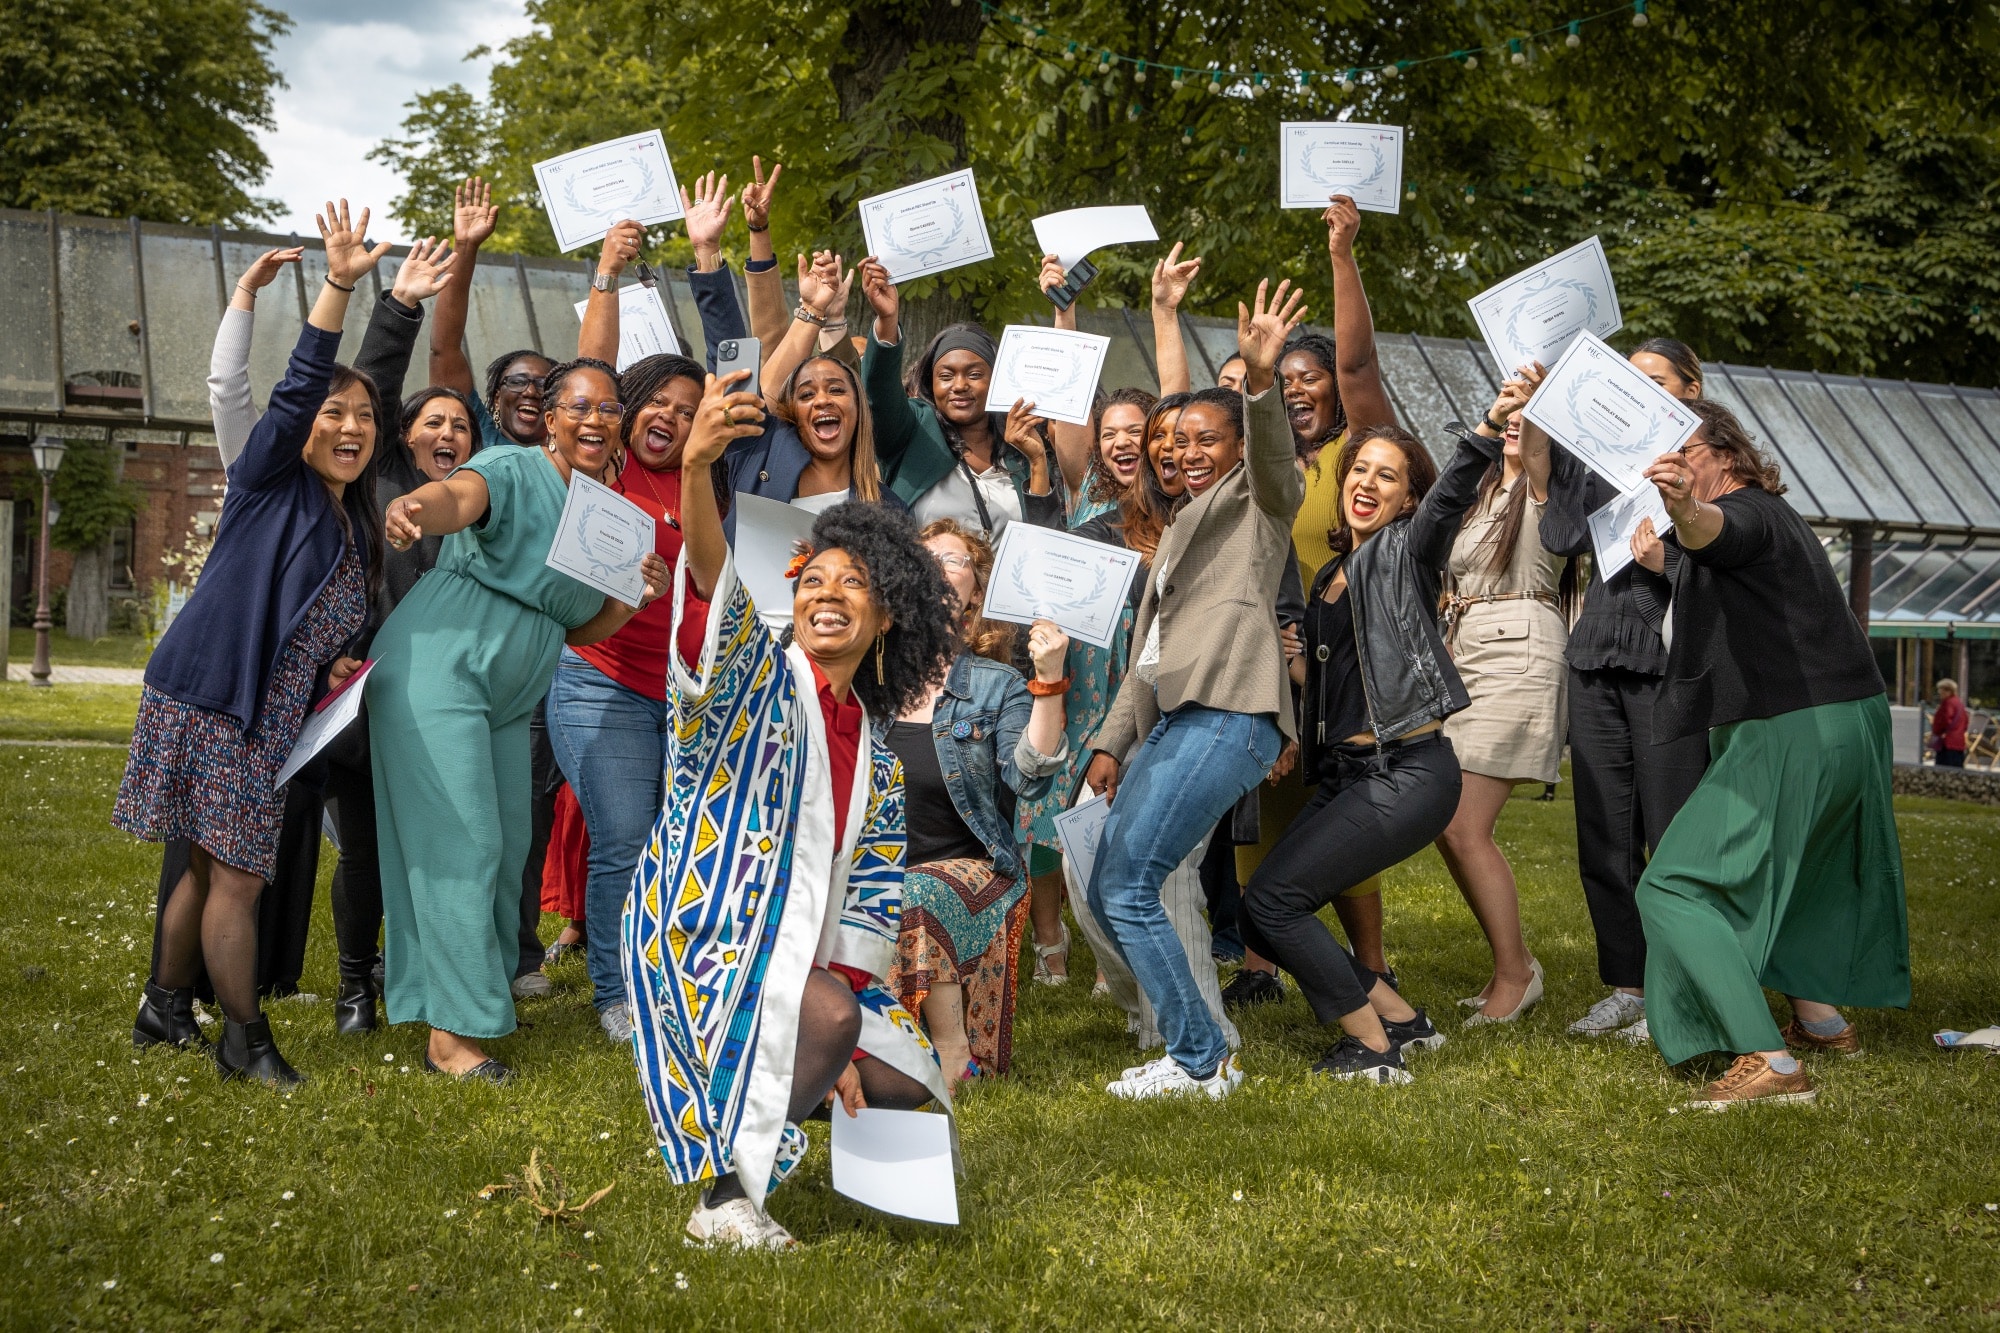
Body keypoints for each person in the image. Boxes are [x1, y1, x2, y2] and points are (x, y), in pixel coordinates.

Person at [628, 377, 960, 1250]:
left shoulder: (879, 756)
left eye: (854, 584)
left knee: (902, 1071)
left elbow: (868, 905)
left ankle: (779, 1092)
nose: (829, 594)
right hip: (704, 928)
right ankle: (721, 1197)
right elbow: (711, 588)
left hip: (795, 945)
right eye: (814, 578)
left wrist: (847, 1044)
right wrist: (699, 471)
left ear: (886, 616)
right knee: (824, 1020)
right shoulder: (759, 679)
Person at [118, 201, 388, 1085]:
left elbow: (304, 617)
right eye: (333, 414)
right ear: (304, 426)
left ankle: (164, 1006)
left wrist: (330, 662)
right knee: (237, 877)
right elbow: (289, 384)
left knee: (205, 862)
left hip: (262, 709)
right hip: (214, 699)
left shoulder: (351, 518)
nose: (349, 428)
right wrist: (337, 286)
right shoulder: (268, 478)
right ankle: (246, 1038)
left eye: (365, 418)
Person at [368, 357, 669, 1083]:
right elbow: (459, 495)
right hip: (443, 662)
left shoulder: (609, 513)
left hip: (512, 686)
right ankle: (450, 1040)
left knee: (505, 846)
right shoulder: (511, 465)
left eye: (607, 408)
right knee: (461, 841)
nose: (594, 419)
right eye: (579, 406)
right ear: (553, 417)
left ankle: (476, 995)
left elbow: (582, 629)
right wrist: (418, 509)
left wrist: (635, 595)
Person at [1241, 377, 1527, 1083]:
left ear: (1407, 499)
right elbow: (1346, 688)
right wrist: (1302, 669)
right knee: (1261, 908)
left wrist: (1488, 427)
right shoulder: (1330, 575)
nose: (1367, 484)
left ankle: (1372, 1047)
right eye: (1360, 470)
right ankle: (1401, 1017)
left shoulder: (1405, 551)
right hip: (1351, 774)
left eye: (1388, 477)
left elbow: (1452, 497)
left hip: (1410, 770)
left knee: (1276, 903)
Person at [1633, 400, 1908, 1108]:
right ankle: (1821, 1020)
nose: (1668, 464)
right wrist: (1672, 551)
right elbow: (1727, 569)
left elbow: (1719, 529)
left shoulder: (1747, 509)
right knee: (1808, 873)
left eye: (1682, 448)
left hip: (1793, 726)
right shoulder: (1776, 521)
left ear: (1725, 454)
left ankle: (1769, 1060)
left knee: (1672, 886)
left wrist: (1687, 513)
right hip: (1848, 717)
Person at [1079, 279, 1308, 1101]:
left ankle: (1200, 1057)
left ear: (1238, 447)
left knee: (1132, 882)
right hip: (1174, 722)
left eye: (1205, 439)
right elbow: (1149, 652)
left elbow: (1279, 467)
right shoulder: (1173, 528)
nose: (1183, 451)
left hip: (1230, 716)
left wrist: (1260, 380)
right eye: (1170, 441)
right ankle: (1199, 1045)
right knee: (1113, 880)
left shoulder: (1258, 502)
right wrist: (1111, 741)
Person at [1226, 196, 1400, 1010]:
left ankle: (1370, 962)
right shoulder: (1265, 461)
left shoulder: (1356, 450)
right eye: (1284, 381)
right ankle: (1260, 963)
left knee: (1337, 801)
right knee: (1265, 792)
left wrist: (1341, 255)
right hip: (1269, 647)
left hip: (1341, 656)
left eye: (1311, 377)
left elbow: (1365, 370)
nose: (1298, 390)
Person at [1017, 245, 1202, 984]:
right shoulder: (1082, 486)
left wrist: (1165, 313)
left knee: (1124, 799)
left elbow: (1183, 402)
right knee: (1051, 799)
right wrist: (1065, 307)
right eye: (1113, 430)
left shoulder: (1168, 502)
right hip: (1083, 661)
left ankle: (1109, 942)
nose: (1127, 439)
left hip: (1142, 666)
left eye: (1141, 429)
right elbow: (1065, 405)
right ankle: (1052, 935)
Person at [555, 259, 721, 1041]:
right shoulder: (605, 462)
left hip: (686, 692)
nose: (671, 417)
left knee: (676, 843)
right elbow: (590, 369)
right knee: (624, 835)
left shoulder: (702, 482)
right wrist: (609, 277)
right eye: (658, 399)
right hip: (599, 680)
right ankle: (616, 994)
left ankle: (670, 978)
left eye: (689, 411)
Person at [1538, 336, 1711, 1043]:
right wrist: (1551, 451)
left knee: (1671, 837)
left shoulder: (1708, 464)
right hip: (1595, 659)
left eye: (1655, 379)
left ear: (1691, 389)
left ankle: (1685, 990)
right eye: (1627, 380)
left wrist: (1666, 559)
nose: (1637, 391)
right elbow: (1557, 534)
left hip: (1669, 667)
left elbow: (1734, 566)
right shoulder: (1599, 455)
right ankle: (1628, 986)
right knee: (1604, 836)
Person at [887, 520, 1068, 1086]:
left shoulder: (997, 685)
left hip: (973, 871)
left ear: (976, 594)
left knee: (915, 892)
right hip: (876, 862)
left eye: (956, 560)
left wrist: (1049, 678)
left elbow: (1028, 777)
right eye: (927, 557)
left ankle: (952, 1049)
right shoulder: (870, 676)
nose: (940, 566)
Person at [1432, 362, 1568, 1028]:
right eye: (1507, 417)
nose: (1513, 426)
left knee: (1463, 824)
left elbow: (1536, 444)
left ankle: (1518, 973)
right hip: (1467, 652)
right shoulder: (1482, 492)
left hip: (1518, 651)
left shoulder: (1545, 491)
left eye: (1526, 421)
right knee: (1443, 824)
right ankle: (1506, 964)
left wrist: (1536, 403)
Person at [857, 255, 1061, 532]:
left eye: (975, 374)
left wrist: (1036, 460)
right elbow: (879, 394)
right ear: (931, 383)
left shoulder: (1018, 447)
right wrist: (887, 320)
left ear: (996, 380)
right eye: (946, 376)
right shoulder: (914, 431)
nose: (960, 385)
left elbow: (1044, 535)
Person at [1931, 679, 1969, 767]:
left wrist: (1937, 731)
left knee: (1943, 771)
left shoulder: (1947, 703)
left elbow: (1945, 720)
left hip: (1947, 743)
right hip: (1959, 742)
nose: (1939, 693)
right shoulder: (1959, 703)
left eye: (1941, 690)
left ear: (1947, 691)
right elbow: (1966, 722)